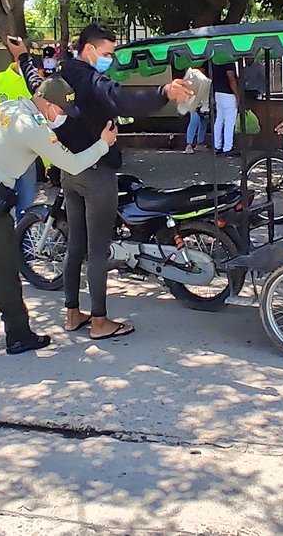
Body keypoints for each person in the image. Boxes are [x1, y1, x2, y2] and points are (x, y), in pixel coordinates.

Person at [0, 75, 119, 357]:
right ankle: (18, 335)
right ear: (46, 104)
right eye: (60, 111)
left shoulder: (9, 108)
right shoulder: (32, 126)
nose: (61, 117)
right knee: (4, 266)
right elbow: (73, 164)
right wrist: (104, 143)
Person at [57, 23, 194, 340]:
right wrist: (163, 92)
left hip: (69, 170)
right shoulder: (91, 79)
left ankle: (73, 314)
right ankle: (100, 321)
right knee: (98, 249)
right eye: (106, 53)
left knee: (75, 244)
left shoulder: (61, 75)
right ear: (89, 49)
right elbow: (120, 98)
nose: (110, 58)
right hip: (96, 172)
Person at [0, 38, 44, 218]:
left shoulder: (39, 89)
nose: (38, 74)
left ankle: (22, 243)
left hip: (27, 160)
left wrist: (49, 162)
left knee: (25, 209)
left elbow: (43, 124)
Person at [211, 60, 240, 155]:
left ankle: (217, 145)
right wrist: (237, 96)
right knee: (230, 122)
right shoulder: (228, 60)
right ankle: (228, 147)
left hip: (218, 93)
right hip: (229, 94)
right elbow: (231, 79)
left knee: (219, 120)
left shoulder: (215, 60)